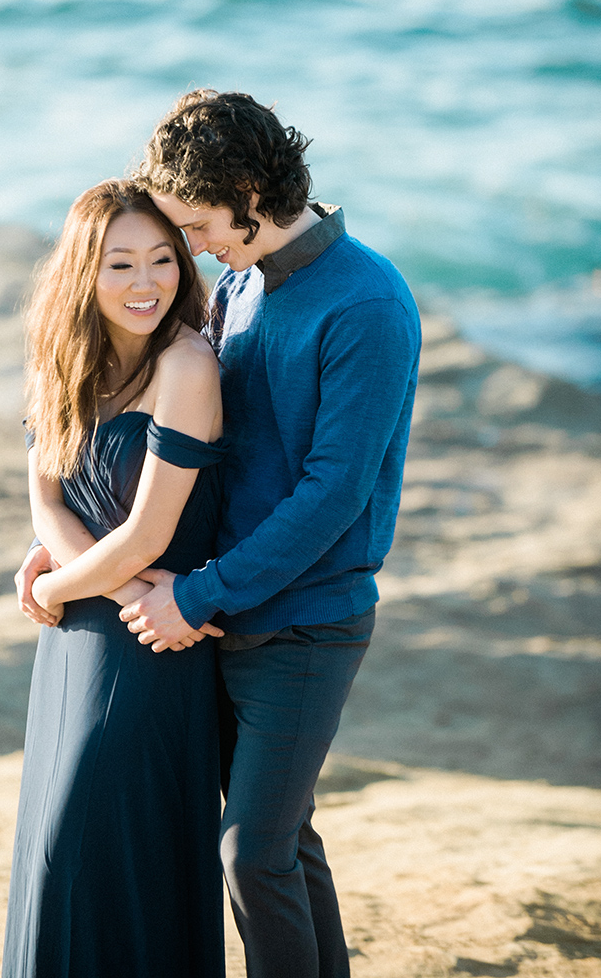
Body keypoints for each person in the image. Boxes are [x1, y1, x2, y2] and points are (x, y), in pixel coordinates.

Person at [118, 90, 422, 978]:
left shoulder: (367, 301)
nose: (191, 246)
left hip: (308, 622)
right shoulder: (241, 284)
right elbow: (195, 439)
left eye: (199, 222)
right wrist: (97, 535)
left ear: (250, 188)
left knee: (250, 852)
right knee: (287, 839)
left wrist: (196, 594)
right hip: (232, 609)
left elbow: (334, 495)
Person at [3, 178, 227, 978]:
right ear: (82, 272)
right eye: (120, 263)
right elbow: (46, 501)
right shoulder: (60, 356)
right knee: (54, 850)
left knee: (89, 845)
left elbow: (148, 532)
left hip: (149, 652)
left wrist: (57, 590)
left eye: (162, 260)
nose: (145, 283)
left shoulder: (186, 363)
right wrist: (115, 589)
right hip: (102, 626)